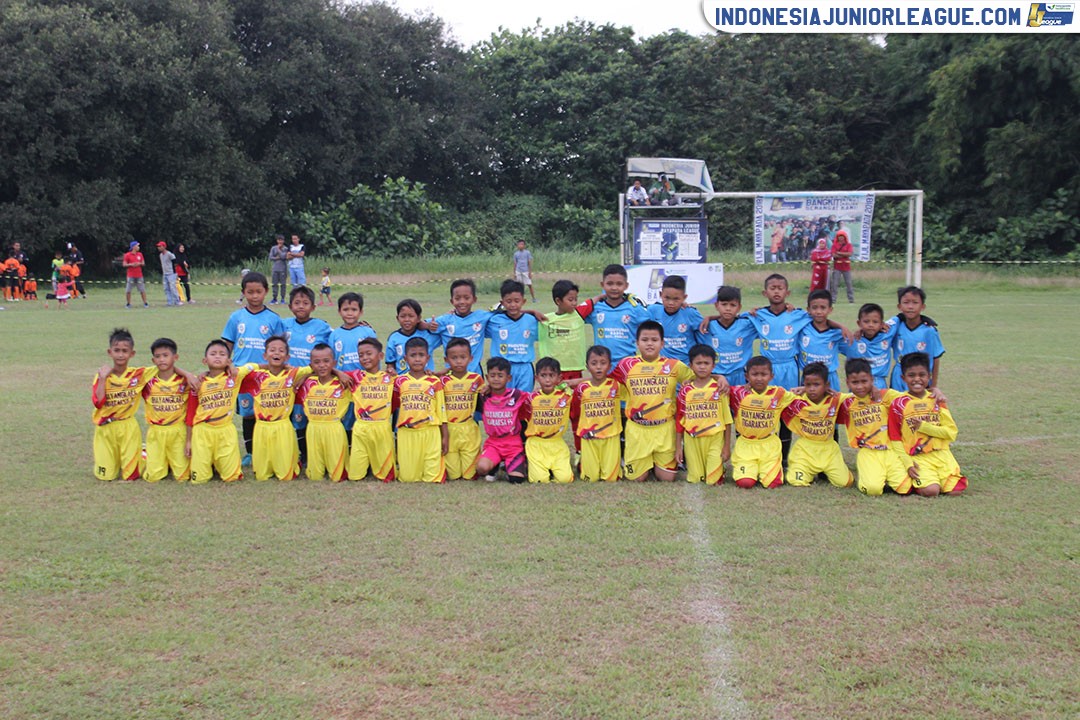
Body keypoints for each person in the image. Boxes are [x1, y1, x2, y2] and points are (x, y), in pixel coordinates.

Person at [611, 320, 695, 482]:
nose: (649, 344)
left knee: (667, 478)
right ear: (637, 343)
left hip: (665, 429)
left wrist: (719, 378)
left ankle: (656, 461)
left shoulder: (673, 365)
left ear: (662, 343)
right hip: (638, 430)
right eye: (645, 340)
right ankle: (640, 461)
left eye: (654, 340)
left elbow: (698, 378)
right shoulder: (626, 365)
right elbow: (606, 383)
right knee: (637, 479)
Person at [221, 270, 285, 466]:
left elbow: (280, 346)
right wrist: (226, 363)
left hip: (266, 375)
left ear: (266, 291)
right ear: (243, 293)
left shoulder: (274, 319)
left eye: (258, 292)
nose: (254, 296)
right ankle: (250, 452)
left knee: (268, 412)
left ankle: (269, 450)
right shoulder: (236, 317)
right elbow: (227, 344)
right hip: (243, 375)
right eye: (250, 292)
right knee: (248, 414)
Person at [888, 352, 967, 496]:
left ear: (929, 376)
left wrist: (924, 427)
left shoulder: (937, 400)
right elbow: (895, 438)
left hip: (941, 454)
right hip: (918, 457)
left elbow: (951, 433)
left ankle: (939, 478)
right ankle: (921, 481)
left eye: (922, 375)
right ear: (903, 378)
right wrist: (907, 463)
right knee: (931, 491)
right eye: (911, 375)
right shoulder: (899, 403)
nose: (917, 379)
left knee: (955, 492)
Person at [240, 336, 312, 481]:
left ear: (287, 357)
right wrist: (262, 366)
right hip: (261, 426)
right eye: (272, 350)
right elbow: (239, 372)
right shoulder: (257, 376)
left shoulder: (292, 373)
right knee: (261, 476)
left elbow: (317, 366)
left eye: (281, 351)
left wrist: (304, 377)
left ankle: (292, 462)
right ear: (265, 355)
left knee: (286, 475)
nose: (276, 353)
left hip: (282, 425)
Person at [837, 358, 911, 496]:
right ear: (847, 382)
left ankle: (885, 476)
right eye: (855, 382)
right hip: (868, 452)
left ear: (872, 379)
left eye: (864, 381)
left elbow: (911, 397)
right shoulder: (846, 402)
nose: (860, 386)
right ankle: (868, 478)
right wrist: (803, 389)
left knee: (906, 488)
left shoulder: (885, 395)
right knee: (873, 490)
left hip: (890, 450)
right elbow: (821, 394)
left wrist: (935, 391)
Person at [185, 340, 255, 483]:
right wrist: (188, 441)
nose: (217, 356)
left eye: (222, 354)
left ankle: (219, 464)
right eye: (213, 354)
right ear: (205, 360)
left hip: (225, 431)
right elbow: (191, 413)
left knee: (232, 478)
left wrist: (233, 367)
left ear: (228, 360)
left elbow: (254, 366)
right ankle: (210, 464)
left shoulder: (234, 376)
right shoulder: (198, 382)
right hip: (202, 431)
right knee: (199, 480)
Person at [91, 329, 156, 481]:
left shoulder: (138, 374)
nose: (120, 355)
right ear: (110, 352)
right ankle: (126, 455)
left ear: (132, 354)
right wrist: (102, 378)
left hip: (127, 426)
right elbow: (98, 402)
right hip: (105, 428)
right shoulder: (102, 375)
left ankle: (143, 453)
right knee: (105, 476)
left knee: (130, 476)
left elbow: (165, 366)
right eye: (117, 350)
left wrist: (187, 375)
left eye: (125, 351)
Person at [728, 356, 797, 489]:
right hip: (746, 445)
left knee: (773, 484)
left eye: (763, 374)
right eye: (755, 374)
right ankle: (750, 470)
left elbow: (802, 400)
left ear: (771, 376)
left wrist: (804, 389)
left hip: (769, 445)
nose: (759, 378)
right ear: (747, 376)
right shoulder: (738, 393)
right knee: (745, 483)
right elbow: (714, 386)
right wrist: (719, 377)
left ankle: (768, 468)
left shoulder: (779, 393)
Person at [282, 285, 332, 465]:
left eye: (305, 303)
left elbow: (332, 348)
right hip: (287, 381)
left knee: (310, 417)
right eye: (297, 303)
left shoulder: (322, 327)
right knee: (290, 418)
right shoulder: (284, 325)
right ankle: (293, 453)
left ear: (313, 307)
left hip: (312, 381)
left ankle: (309, 454)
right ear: (290, 306)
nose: (301, 306)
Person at [781, 362, 852, 489]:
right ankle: (803, 469)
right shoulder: (797, 400)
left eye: (816, 384)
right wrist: (802, 390)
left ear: (826, 385)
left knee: (845, 483)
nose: (812, 389)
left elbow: (859, 396)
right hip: (805, 449)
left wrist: (873, 389)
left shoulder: (835, 399)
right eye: (808, 385)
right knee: (796, 481)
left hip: (828, 449)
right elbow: (773, 396)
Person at [675, 345, 733, 486]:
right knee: (695, 479)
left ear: (713, 366)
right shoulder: (685, 390)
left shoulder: (719, 389)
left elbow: (727, 420)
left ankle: (720, 470)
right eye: (698, 363)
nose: (702, 367)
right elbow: (680, 420)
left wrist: (726, 447)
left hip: (714, 439)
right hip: (692, 440)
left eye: (706, 363)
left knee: (713, 481)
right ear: (691, 366)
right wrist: (678, 447)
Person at [393, 337, 448, 483]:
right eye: (413, 355)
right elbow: (392, 406)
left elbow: (441, 410)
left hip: (430, 431)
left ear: (427, 358)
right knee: (408, 478)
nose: (417, 359)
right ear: (406, 358)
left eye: (421, 355)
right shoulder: (399, 381)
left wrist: (445, 436)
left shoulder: (434, 381)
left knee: (432, 478)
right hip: (407, 432)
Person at [141, 338, 194, 482]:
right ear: (153, 360)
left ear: (175, 357)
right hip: (156, 431)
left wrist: (188, 374)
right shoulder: (147, 381)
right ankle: (144, 453)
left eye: (165, 355)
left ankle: (169, 460)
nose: (161, 360)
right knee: (153, 477)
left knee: (182, 477)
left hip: (178, 431)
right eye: (157, 356)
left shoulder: (185, 381)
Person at [294, 344, 350, 481]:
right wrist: (306, 375)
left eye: (326, 361)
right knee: (315, 476)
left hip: (334, 428)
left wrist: (338, 372)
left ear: (334, 363)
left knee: (338, 476)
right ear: (311, 365)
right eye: (317, 362)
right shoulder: (307, 383)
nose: (322, 365)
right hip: (313, 428)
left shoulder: (344, 382)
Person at [575, 264, 649, 364]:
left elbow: (652, 327)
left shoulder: (634, 308)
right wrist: (595, 299)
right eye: (609, 284)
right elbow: (575, 315)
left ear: (626, 286)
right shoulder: (596, 308)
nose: (614, 288)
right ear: (602, 285)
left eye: (619, 284)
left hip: (627, 364)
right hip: (602, 365)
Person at [570, 345, 624, 482]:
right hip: (589, 437)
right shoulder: (582, 388)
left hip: (611, 436)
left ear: (609, 366)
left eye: (603, 363)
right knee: (590, 478)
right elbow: (575, 412)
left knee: (611, 479)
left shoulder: (616, 385)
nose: (598, 367)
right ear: (587, 366)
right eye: (594, 363)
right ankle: (582, 459)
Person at [346, 338, 397, 482]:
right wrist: (339, 373)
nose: (365, 358)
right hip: (361, 427)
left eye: (369, 354)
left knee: (387, 477)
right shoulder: (355, 376)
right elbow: (328, 370)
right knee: (354, 476)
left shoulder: (389, 377)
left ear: (380, 356)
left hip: (382, 427)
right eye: (361, 355)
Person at [476, 357, 530, 483]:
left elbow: (536, 397)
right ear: (487, 377)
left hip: (513, 443)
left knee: (516, 479)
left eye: (500, 375)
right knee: (481, 468)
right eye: (492, 375)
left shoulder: (516, 395)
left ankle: (510, 465)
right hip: (493, 443)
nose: (496, 379)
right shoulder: (483, 396)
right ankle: (494, 467)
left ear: (508, 378)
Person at [329, 292, 377, 432]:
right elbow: (330, 362)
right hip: (342, 384)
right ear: (339, 311)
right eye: (346, 309)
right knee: (343, 423)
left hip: (363, 385)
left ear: (361, 312)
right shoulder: (334, 334)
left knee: (363, 421)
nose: (350, 313)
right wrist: (339, 374)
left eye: (354, 309)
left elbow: (375, 360)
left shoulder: (367, 332)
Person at [523, 357, 574, 483]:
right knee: (539, 480)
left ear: (559, 378)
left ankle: (552, 468)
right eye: (543, 375)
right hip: (536, 444)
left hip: (556, 443)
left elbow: (594, 380)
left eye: (551, 375)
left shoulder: (566, 396)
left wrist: (569, 383)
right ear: (536, 378)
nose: (547, 380)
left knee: (565, 479)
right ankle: (532, 465)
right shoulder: (530, 398)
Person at [440, 338, 484, 480]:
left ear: (471, 358)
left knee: (469, 475)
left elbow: (486, 396)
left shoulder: (476, 379)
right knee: (453, 475)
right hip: (449, 428)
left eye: (463, 357)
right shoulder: (442, 380)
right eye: (454, 358)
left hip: (468, 428)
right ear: (446, 360)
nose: (458, 361)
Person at [429, 279, 493, 376]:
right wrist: (428, 325)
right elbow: (421, 323)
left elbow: (505, 311)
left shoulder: (482, 317)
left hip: (475, 374)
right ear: (452, 301)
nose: (462, 302)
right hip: (451, 375)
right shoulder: (445, 320)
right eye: (457, 298)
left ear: (474, 299)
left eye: (466, 298)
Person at [485, 279, 539, 391]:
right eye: (508, 301)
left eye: (517, 301)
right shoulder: (494, 320)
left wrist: (533, 312)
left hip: (524, 368)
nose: (513, 305)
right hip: (501, 369)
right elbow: (480, 316)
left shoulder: (532, 321)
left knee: (523, 399)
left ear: (523, 301)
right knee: (502, 398)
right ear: (502, 302)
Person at [889, 286, 945, 391]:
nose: (910, 307)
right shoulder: (895, 327)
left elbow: (936, 358)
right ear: (899, 306)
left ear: (922, 306)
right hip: (899, 378)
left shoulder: (929, 330)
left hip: (920, 378)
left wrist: (933, 385)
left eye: (915, 303)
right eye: (906, 303)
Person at [700, 286, 757, 387]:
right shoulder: (706, 326)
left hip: (740, 376)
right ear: (716, 305)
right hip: (715, 377)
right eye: (724, 304)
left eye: (733, 305)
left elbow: (769, 318)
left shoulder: (747, 325)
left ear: (739, 307)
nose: (728, 308)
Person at [647, 274, 705, 365]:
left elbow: (705, 338)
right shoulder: (652, 311)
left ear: (684, 298)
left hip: (686, 365)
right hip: (662, 366)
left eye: (676, 299)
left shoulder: (691, 313)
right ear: (661, 295)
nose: (671, 303)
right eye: (667, 298)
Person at [538, 280, 587, 384]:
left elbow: (592, 302)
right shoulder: (545, 320)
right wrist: (532, 311)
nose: (574, 303)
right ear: (558, 301)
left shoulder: (579, 314)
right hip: (553, 370)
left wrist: (602, 296)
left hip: (575, 368)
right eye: (570, 300)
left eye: (576, 299)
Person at [841, 303, 898, 390]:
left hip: (880, 385)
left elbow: (902, 316)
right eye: (866, 321)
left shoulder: (887, 334)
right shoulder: (852, 340)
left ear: (881, 324)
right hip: (858, 386)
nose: (870, 325)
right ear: (859, 323)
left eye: (875, 322)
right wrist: (840, 326)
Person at [798, 289, 844, 391]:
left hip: (829, 378)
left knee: (832, 401)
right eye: (814, 308)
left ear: (830, 310)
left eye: (823, 308)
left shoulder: (837, 333)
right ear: (808, 309)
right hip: (808, 378)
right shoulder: (802, 328)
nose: (818, 312)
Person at [386, 299, 440, 375]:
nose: (407, 320)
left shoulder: (428, 335)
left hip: (426, 379)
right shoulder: (393, 338)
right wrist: (391, 371)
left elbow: (447, 328)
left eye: (411, 316)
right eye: (403, 316)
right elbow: (390, 363)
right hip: (403, 380)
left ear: (418, 318)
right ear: (397, 318)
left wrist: (427, 324)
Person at [829, 228, 855, 303]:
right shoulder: (834, 245)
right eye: (839, 236)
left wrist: (839, 253)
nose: (841, 238)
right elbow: (834, 255)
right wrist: (844, 254)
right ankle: (833, 299)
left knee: (849, 283)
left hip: (846, 267)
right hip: (837, 267)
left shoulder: (849, 245)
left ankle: (851, 299)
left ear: (845, 237)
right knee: (834, 284)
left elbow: (849, 254)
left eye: (842, 236)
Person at [123, 240, 149, 308]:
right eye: (137, 246)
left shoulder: (140, 254)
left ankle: (145, 303)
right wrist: (131, 264)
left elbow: (143, 263)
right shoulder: (127, 255)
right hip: (130, 275)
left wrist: (139, 264)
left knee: (142, 290)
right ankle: (128, 304)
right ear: (133, 247)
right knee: (128, 290)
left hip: (139, 275)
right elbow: (124, 264)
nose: (138, 247)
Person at [156, 241, 182, 307]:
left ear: (164, 247)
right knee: (166, 288)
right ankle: (169, 302)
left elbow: (175, 263)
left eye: (160, 246)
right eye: (158, 246)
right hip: (165, 274)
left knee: (173, 288)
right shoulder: (161, 255)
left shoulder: (170, 254)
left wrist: (175, 273)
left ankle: (177, 301)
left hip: (171, 273)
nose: (159, 248)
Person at [268, 235, 288, 304]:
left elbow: (283, 256)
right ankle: (274, 298)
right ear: (277, 241)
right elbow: (270, 257)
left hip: (283, 269)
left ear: (283, 241)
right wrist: (277, 258)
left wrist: (279, 250)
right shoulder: (273, 248)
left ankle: (282, 299)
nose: (280, 241)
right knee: (274, 284)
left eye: (281, 240)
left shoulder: (285, 248)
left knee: (283, 285)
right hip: (275, 269)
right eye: (279, 240)